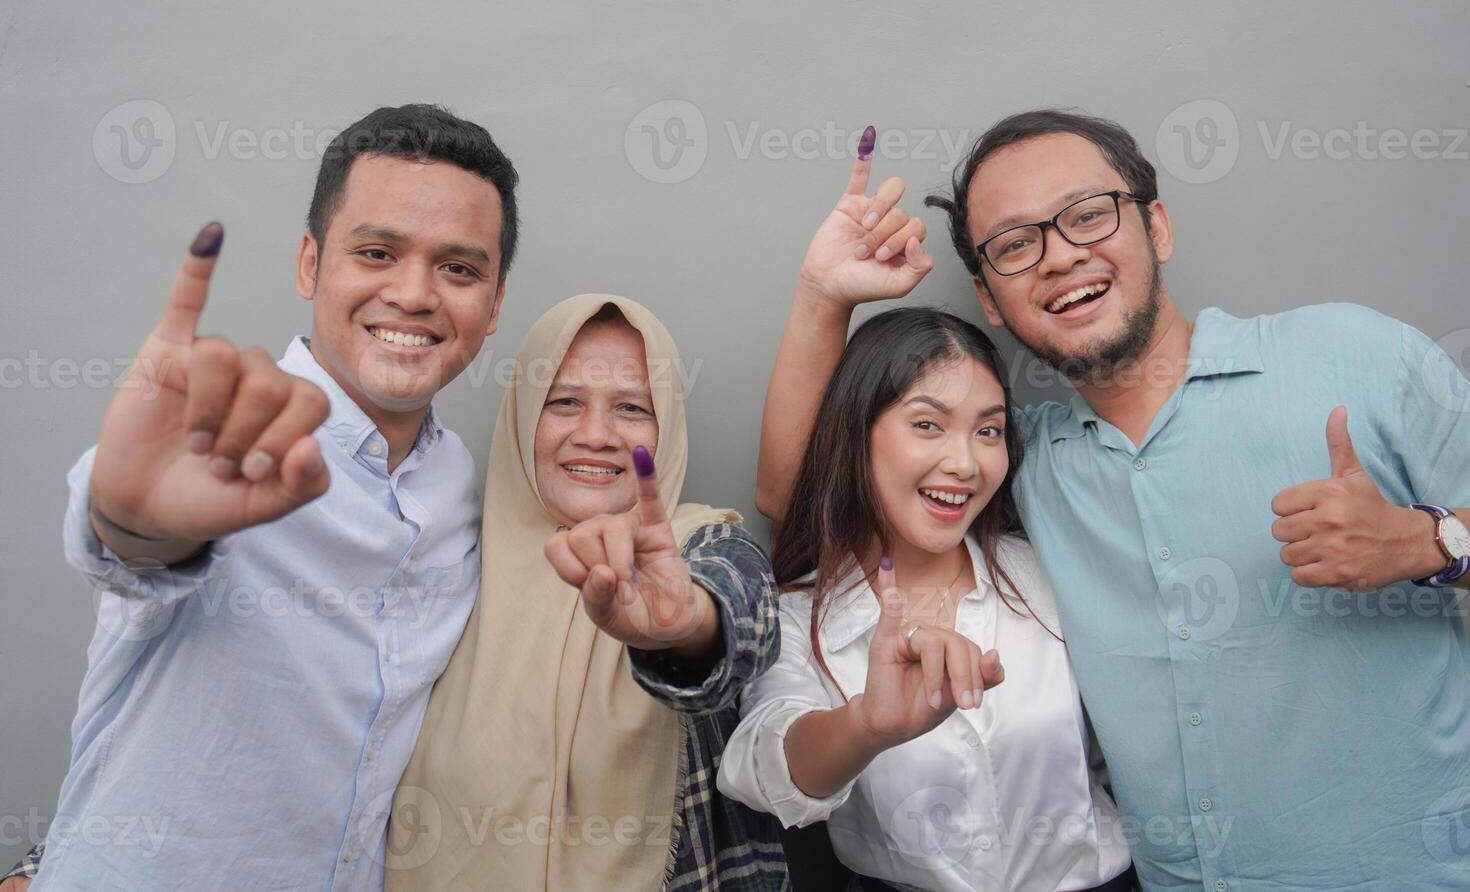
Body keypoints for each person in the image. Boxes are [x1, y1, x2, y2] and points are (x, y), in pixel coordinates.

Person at [756, 115, 1470, 890]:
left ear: (1156, 226)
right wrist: (824, 296)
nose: (1060, 255)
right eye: (1016, 244)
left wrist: (1430, 544)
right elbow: (809, 490)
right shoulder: (1015, 461)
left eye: (1089, 214)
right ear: (991, 298)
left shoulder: (1356, 357)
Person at [21, 104, 519, 891]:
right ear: (309, 264)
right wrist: (132, 524)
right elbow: (131, 542)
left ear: (493, 306)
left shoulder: (459, 485)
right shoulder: (228, 444)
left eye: (459, 269)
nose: (416, 293)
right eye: (378, 252)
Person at [718, 303, 1135, 891]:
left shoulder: (1050, 572)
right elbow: (763, 764)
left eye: (988, 430)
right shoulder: (796, 617)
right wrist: (864, 727)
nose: (965, 463)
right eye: (927, 424)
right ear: (854, 435)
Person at [388, 295, 789, 891]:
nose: (596, 434)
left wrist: (682, 628)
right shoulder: (442, 565)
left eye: (631, 407)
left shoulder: (702, 542)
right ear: (524, 416)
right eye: (565, 402)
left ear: (666, 427)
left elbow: (742, 614)